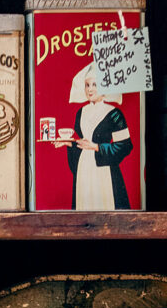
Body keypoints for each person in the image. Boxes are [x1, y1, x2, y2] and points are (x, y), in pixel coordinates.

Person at [56, 63, 133, 210]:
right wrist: (69, 143)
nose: (90, 89)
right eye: (87, 85)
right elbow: (83, 143)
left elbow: (125, 146)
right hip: (84, 168)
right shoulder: (80, 112)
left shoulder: (114, 114)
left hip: (104, 171)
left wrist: (97, 147)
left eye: (94, 85)